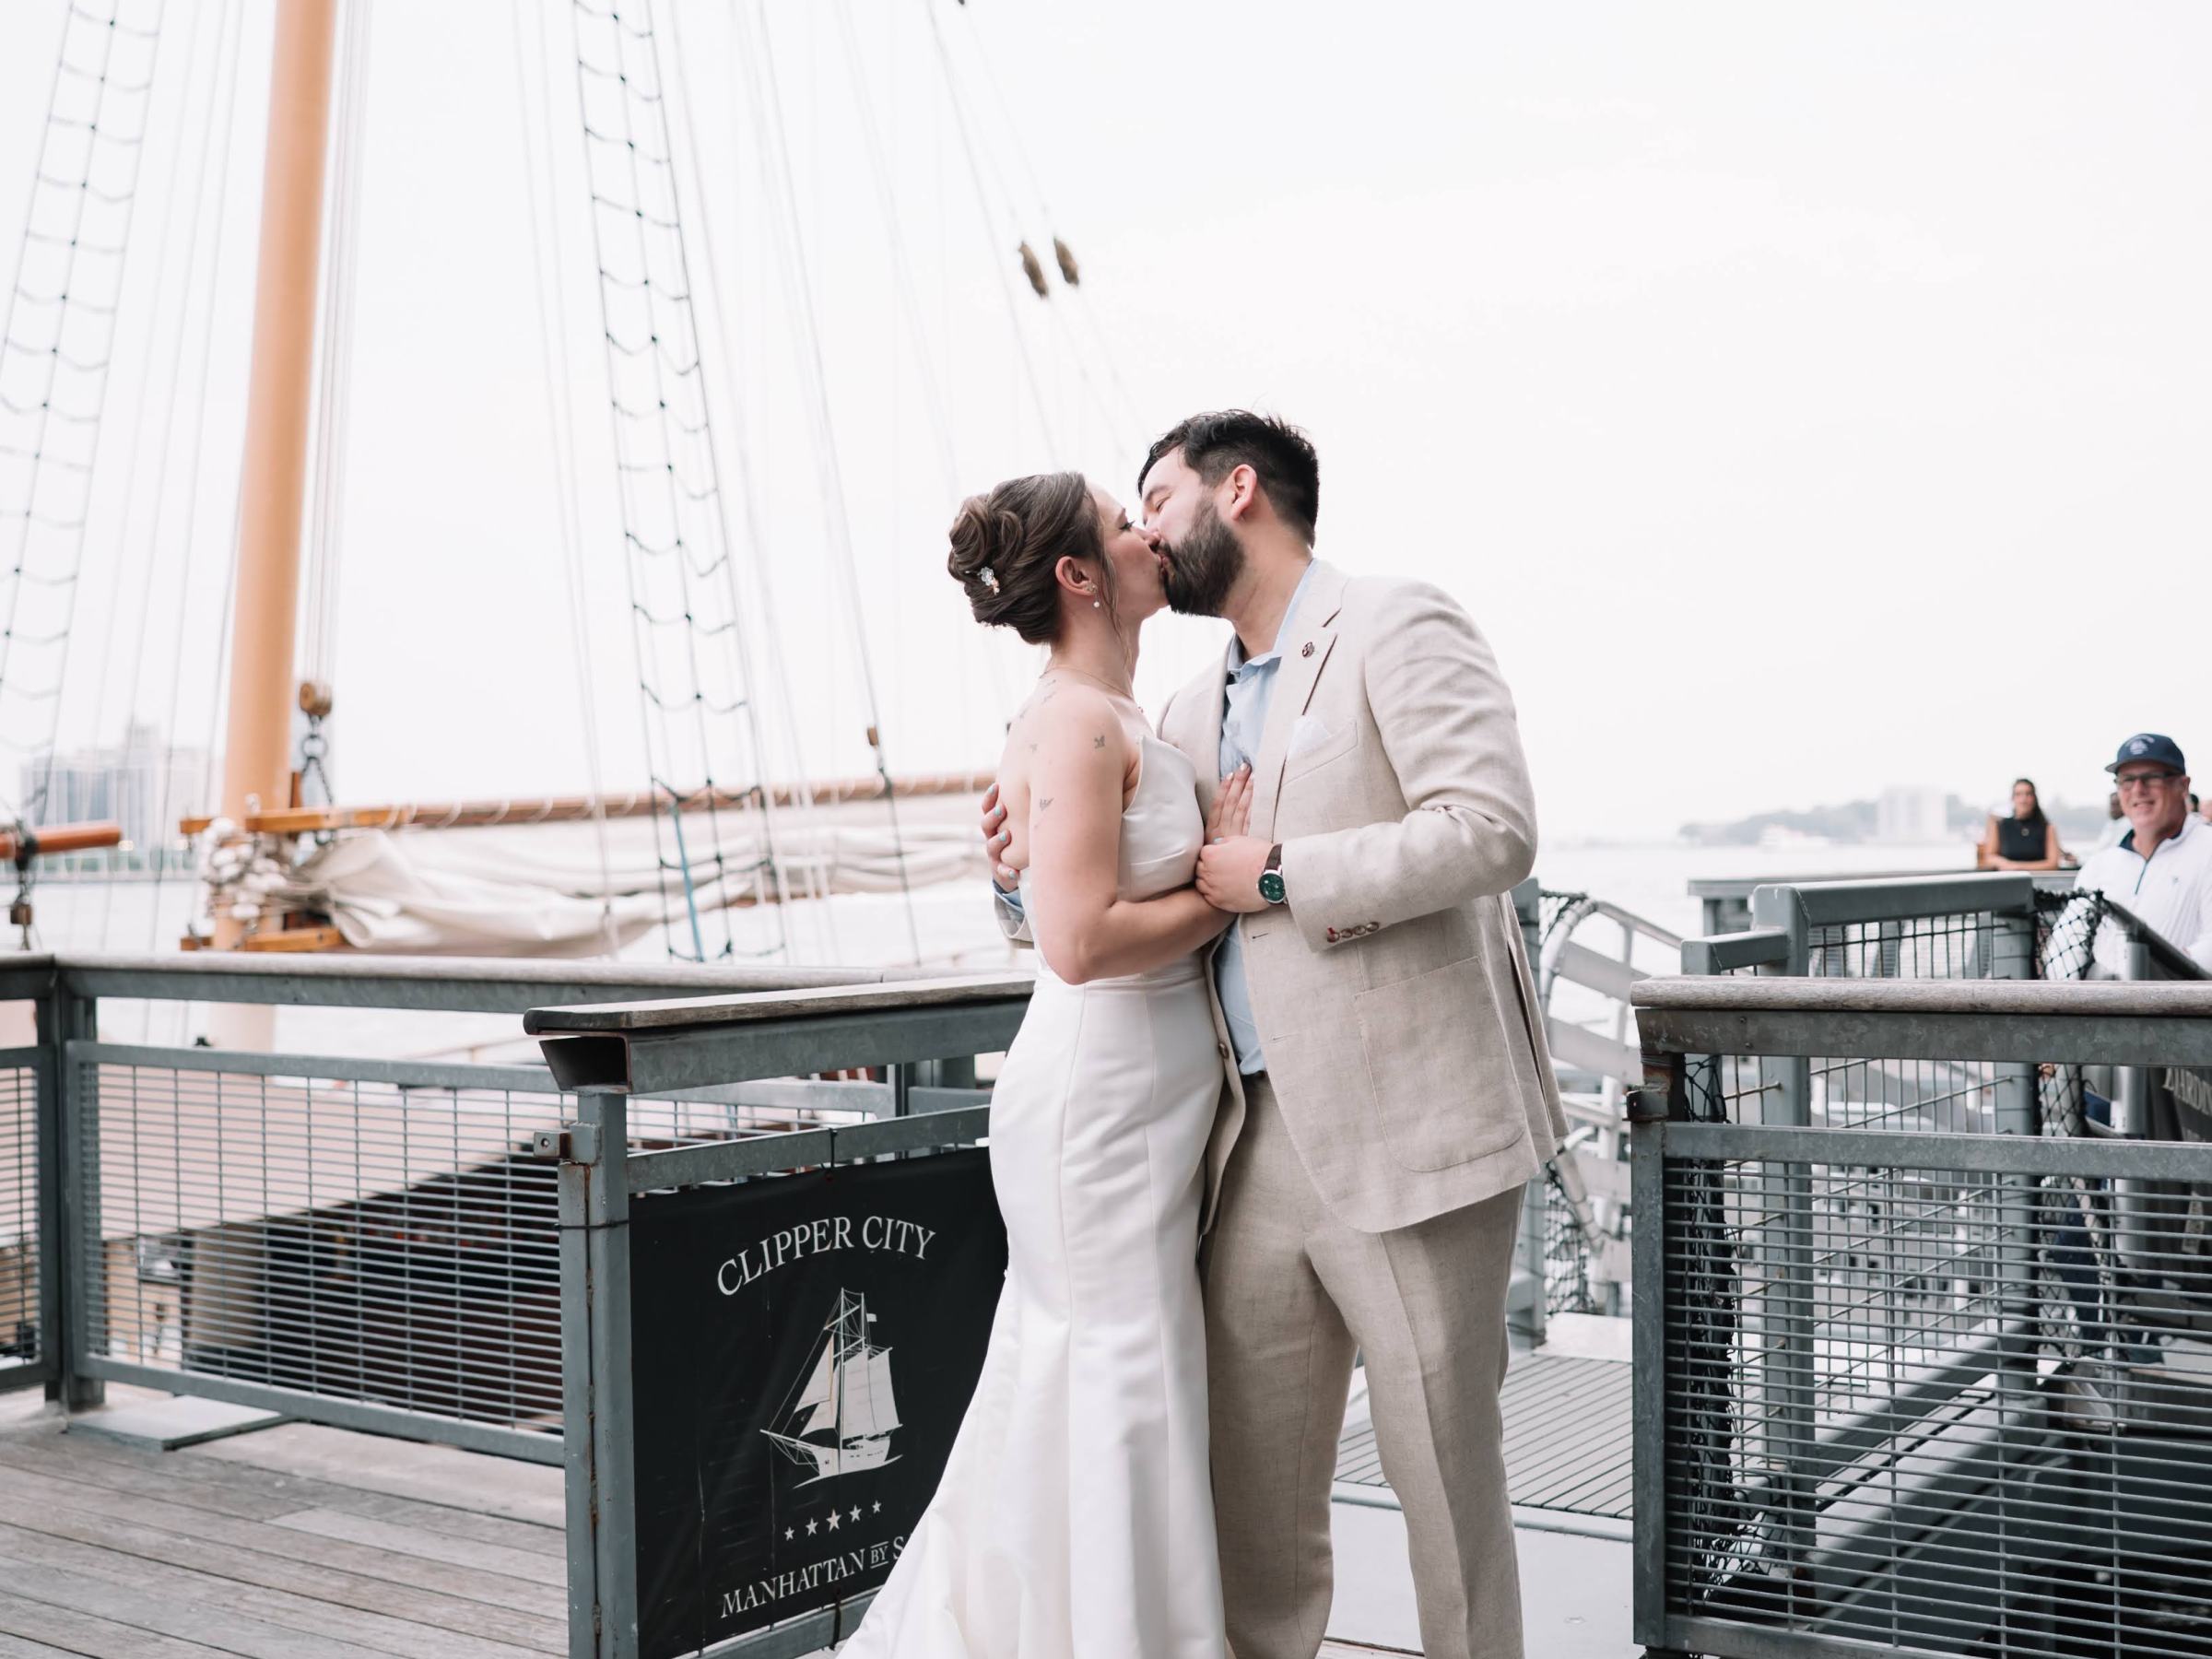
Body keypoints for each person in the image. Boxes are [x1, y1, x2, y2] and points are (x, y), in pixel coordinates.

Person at [985, 411, 1560, 1659]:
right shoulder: (1180, 707)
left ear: (1238, 490)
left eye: (1157, 498)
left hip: (1409, 1136)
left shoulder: (1399, 622)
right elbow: (1113, 892)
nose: (1141, 528)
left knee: (1445, 1494)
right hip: (1235, 1148)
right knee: (1249, 1515)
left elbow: (1491, 831)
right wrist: (1010, 871)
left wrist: (1286, 873)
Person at [841, 472, 1250, 1659]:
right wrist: (1220, 892)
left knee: (1116, 1372)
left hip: (1145, 1096)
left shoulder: (1125, 717)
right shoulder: (1074, 719)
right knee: (1115, 1371)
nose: (1148, 539)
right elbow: (1074, 943)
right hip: (1098, 1100)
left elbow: (1050, 901)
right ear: (1079, 575)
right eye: (1126, 529)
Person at [2072, 733, 2212, 971]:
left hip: (2184, 1005)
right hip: (2098, 1003)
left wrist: (2155, 975)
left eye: (2152, 777)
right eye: (2127, 779)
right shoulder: (2099, 865)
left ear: (2183, 786)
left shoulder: (2206, 848)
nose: (2138, 789)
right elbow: (2066, 948)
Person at [1976, 777, 2062, 869]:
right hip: (2009, 880)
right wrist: (2004, 863)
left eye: (2028, 794)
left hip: (2039, 881)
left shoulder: (2048, 828)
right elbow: (1989, 858)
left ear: (2034, 798)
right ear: (2013, 798)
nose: (2023, 799)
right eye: (2018, 794)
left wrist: (2017, 867)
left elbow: (2053, 863)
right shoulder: (2001, 826)